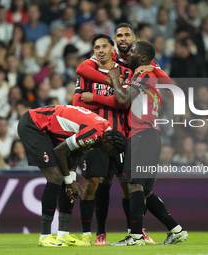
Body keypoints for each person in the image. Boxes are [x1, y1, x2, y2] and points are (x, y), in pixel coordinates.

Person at [109, 41, 187, 245]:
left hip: (142, 133)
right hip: (151, 135)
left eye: (133, 51)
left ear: (143, 58)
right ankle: (176, 230)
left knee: (135, 185)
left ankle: (135, 236)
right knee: (144, 190)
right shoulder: (148, 74)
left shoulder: (143, 74)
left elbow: (124, 99)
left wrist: (115, 80)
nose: (129, 53)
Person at [17, 104, 127, 247]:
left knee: (65, 179)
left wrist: (71, 178)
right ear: (107, 141)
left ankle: (63, 235)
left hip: (48, 128)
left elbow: (75, 154)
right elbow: (59, 152)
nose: (105, 154)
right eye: (109, 151)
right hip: (34, 124)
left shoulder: (103, 133)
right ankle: (45, 237)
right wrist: (69, 181)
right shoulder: (95, 132)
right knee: (55, 177)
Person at [73, 33, 135, 246]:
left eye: (104, 46)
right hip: (94, 138)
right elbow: (77, 104)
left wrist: (96, 100)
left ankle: (133, 232)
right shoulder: (86, 74)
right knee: (92, 184)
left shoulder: (125, 73)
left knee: (127, 185)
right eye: (96, 47)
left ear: (112, 49)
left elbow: (124, 103)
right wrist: (111, 101)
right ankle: (92, 233)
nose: (100, 50)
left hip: (120, 137)